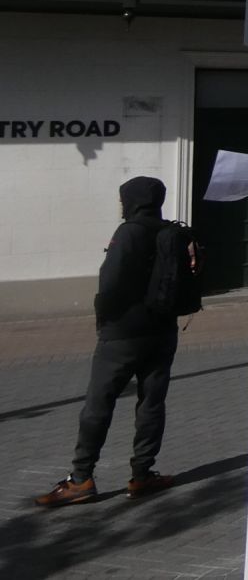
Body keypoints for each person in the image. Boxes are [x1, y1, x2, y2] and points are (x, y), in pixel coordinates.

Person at [35, 176, 181, 507]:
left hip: (123, 334)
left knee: (98, 404)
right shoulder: (170, 231)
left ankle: (81, 478)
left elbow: (111, 280)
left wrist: (104, 319)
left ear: (130, 201)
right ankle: (143, 474)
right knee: (151, 403)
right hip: (162, 331)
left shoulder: (129, 232)